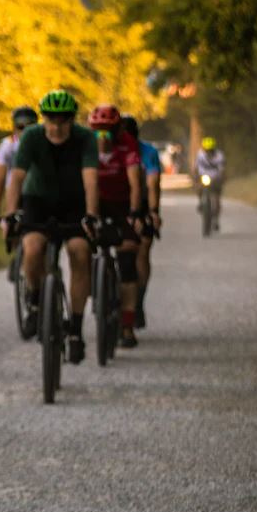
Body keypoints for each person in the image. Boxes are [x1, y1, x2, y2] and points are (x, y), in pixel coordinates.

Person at [3, 89, 99, 363]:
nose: (56, 126)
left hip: (74, 202)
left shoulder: (85, 138)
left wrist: (91, 215)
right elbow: (16, 178)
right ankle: (35, 302)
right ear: (43, 119)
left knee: (80, 251)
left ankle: (76, 330)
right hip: (38, 200)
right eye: (51, 120)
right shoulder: (32, 136)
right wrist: (11, 214)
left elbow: (91, 180)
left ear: (72, 120)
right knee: (33, 248)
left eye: (63, 120)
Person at [89, 106, 143, 347]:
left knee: (128, 258)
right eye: (98, 131)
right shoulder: (86, 145)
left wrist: (135, 213)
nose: (103, 137)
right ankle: (92, 288)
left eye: (108, 131)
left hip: (122, 204)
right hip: (95, 204)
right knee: (80, 247)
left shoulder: (127, 143)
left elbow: (135, 183)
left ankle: (128, 325)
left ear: (118, 130)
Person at [119, 114, 162, 329]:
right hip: (117, 201)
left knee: (142, 249)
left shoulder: (148, 152)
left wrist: (153, 212)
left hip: (142, 203)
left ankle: (138, 301)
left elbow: (153, 185)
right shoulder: (110, 149)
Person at [0, 106, 38, 235]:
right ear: (14, 127)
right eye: (21, 127)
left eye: (30, 126)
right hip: (14, 192)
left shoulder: (43, 143)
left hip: (37, 191)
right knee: (11, 229)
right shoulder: (7, 146)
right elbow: (0, 179)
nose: (25, 131)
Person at [193, 136, 225, 230]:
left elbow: (222, 169)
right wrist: (195, 177)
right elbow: (196, 167)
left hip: (215, 178)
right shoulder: (200, 155)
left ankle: (216, 219)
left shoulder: (219, 155)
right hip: (203, 177)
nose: (208, 152)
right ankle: (200, 201)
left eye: (210, 150)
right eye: (206, 150)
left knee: (217, 199)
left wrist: (221, 177)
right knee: (198, 188)